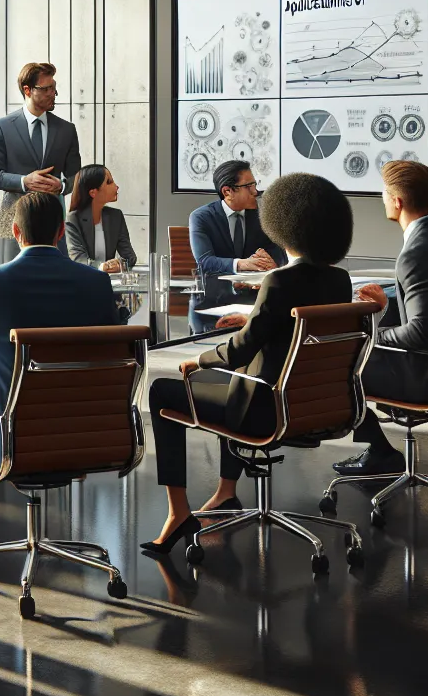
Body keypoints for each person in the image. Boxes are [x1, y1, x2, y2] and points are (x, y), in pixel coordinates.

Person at [141, 174, 355, 553]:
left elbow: (238, 352)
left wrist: (199, 359)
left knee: (163, 390)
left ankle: (178, 512)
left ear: (282, 224)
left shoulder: (278, 281)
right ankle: (225, 493)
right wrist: (254, 318)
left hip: (266, 412)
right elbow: (290, 327)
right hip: (313, 407)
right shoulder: (340, 280)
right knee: (237, 378)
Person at [0, 192, 124, 556]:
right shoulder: (97, 284)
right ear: (62, 231)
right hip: (88, 437)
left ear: (15, 231)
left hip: (10, 441)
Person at [336, 160, 428, 476]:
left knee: (339, 363)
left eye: (384, 193)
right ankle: (378, 450)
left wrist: (370, 337)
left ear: (397, 201)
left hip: (426, 375)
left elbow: (421, 334)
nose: (382, 199)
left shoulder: (415, 251)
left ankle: (381, 451)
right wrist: (387, 307)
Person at [187, 160, 285, 332]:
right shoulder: (201, 217)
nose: (256, 192)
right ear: (227, 191)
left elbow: (279, 251)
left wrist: (270, 261)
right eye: (249, 186)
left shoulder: (263, 216)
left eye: (255, 185)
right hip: (211, 304)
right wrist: (241, 264)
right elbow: (205, 261)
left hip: (254, 302)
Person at [0, 62, 82, 206]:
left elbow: (77, 177)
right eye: (46, 89)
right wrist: (23, 181)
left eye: (53, 88)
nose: (53, 93)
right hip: (12, 219)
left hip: (52, 219)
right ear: (27, 90)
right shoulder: (3, 127)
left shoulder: (66, 130)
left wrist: (62, 186)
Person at [64, 164, 138, 272]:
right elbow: (78, 259)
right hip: (83, 282)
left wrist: (119, 264)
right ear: (93, 192)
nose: (116, 186)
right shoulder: (73, 219)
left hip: (110, 282)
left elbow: (129, 257)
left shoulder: (116, 216)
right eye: (109, 182)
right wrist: (102, 266)